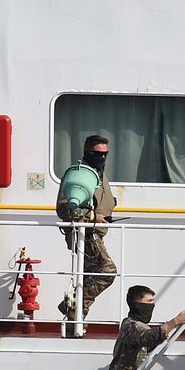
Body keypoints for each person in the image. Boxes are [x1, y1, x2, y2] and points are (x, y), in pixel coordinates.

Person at [56, 135, 118, 319]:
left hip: (96, 234)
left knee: (87, 279)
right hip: (85, 234)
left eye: (105, 154)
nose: (102, 158)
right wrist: (92, 216)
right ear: (87, 153)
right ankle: (74, 305)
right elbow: (64, 207)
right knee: (107, 271)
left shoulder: (99, 172)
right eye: (97, 154)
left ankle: (74, 320)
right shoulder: (78, 174)